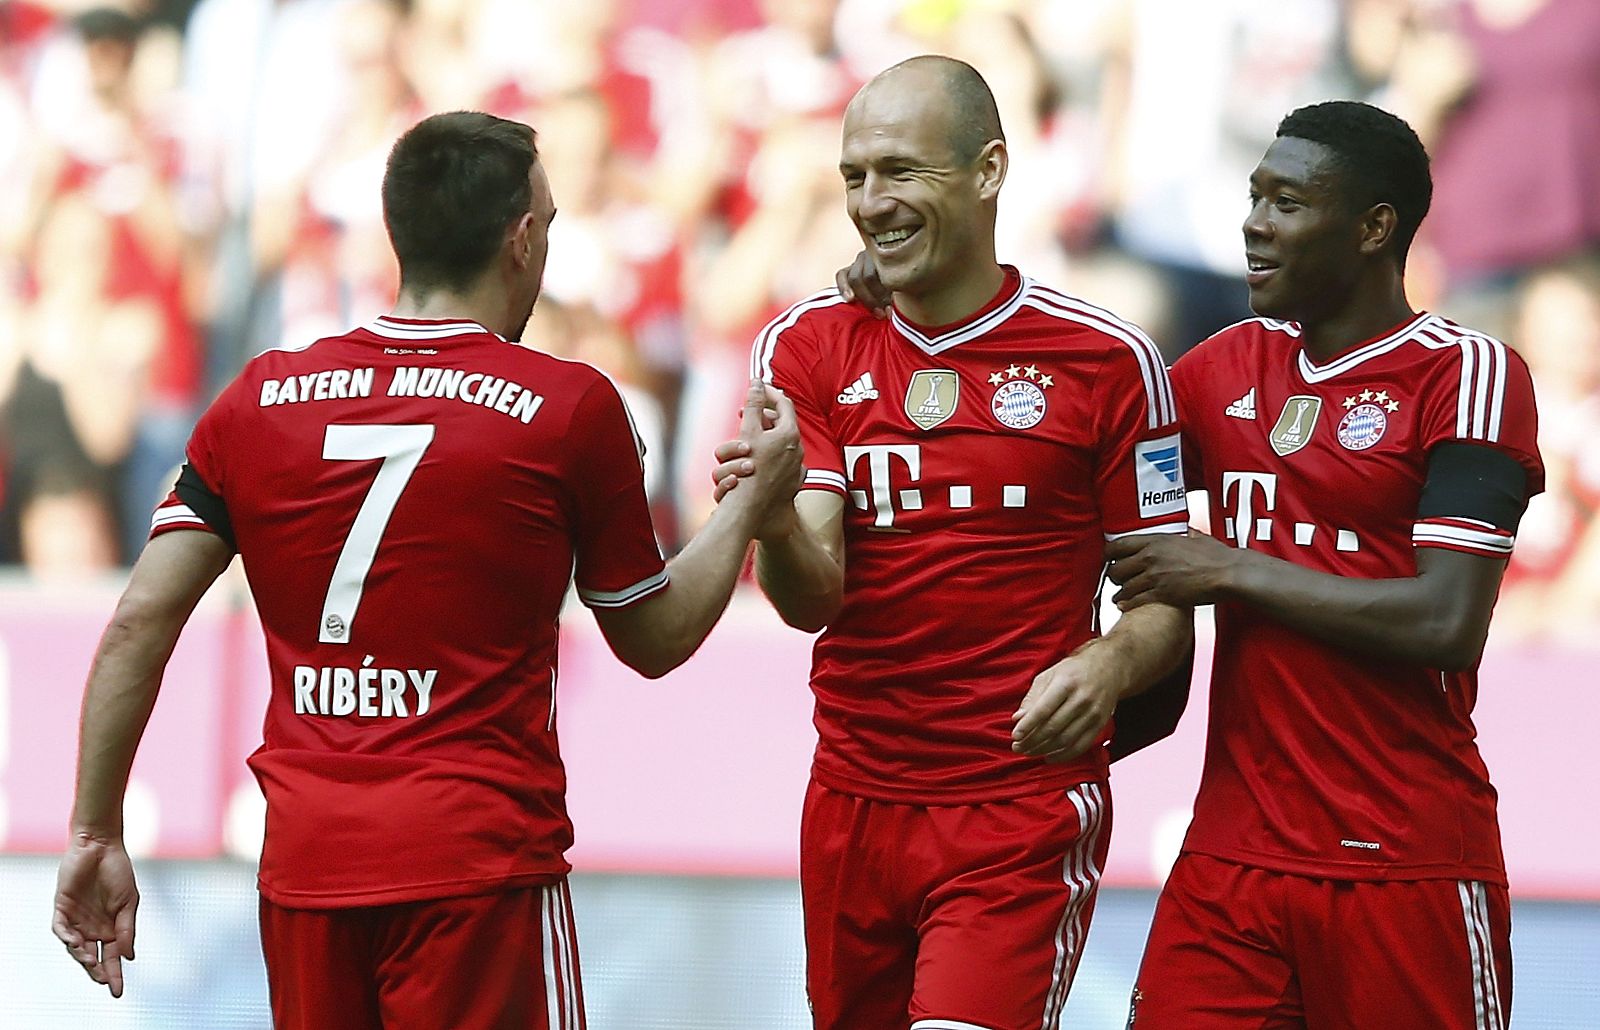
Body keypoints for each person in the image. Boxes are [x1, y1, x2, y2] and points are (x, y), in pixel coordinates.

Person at [51, 110, 802, 1029]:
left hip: (307, 874)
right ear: (522, 241)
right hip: (477, 872)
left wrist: (93, 828)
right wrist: (750, 506)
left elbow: (140, 621)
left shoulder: (259, 400)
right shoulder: (566, 408)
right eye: (551, 226)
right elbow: (654, 634)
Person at [715, 56, 1193, 1030]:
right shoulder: (804, 346)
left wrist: (1106, 663)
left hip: (1014, 809)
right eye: (853, 176)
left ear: (987, 170)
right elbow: (812, 597)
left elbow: (1165, 607)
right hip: (851, 800)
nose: (870, 202)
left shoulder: (1109, 362)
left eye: (899, 170)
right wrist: (766, 517)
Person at [1105, 100, 1542, 1028]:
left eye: (1289, 202)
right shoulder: (1222, 369)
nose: (1254, 222)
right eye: (1255, 196)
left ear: (1374, 227)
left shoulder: (1468, 377)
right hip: (1233, 859)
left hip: (1404, 861)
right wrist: (911, 298)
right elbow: (1080, 446)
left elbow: (1446, 621)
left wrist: (1229, 571)